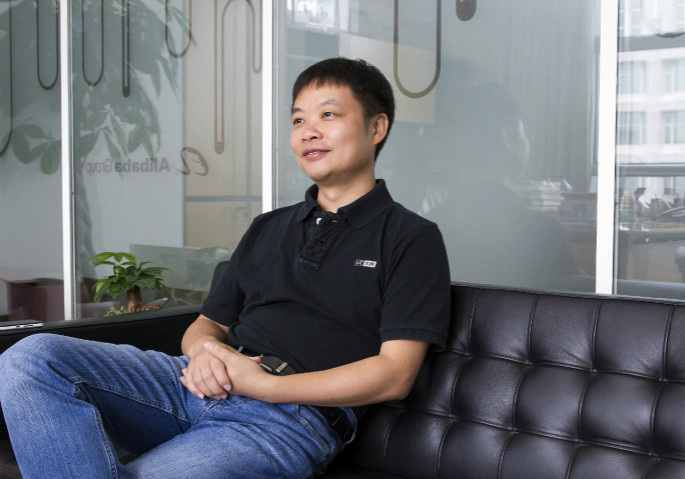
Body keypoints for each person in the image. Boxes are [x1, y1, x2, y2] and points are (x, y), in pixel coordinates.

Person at [0, 57, 451, 479]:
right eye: (298, 120)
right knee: (32, 359)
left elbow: (395, 374)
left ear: (376, 127)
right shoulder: (268, 227)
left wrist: (265, 387)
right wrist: (204, 355)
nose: (308, 132)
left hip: (286, 419)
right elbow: (207, 324)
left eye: (328, 115)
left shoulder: (411, 237)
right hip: (193, 386)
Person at [421, 81, 586, 291]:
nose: (527, 143)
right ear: (507, 138)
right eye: (523, 132)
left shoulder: (431, 225)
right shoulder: (540, 231)